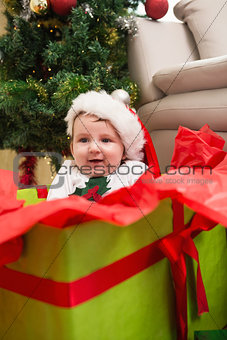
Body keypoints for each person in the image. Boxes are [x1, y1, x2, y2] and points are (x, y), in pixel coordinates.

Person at [47, 90, 148, 202]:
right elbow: (53, 207)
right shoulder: (68, 172)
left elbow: (150, 203)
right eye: (84, 140)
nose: (94, 149)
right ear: (72, 149)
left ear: (124, 150)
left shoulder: (132, 171)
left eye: (105, 140)